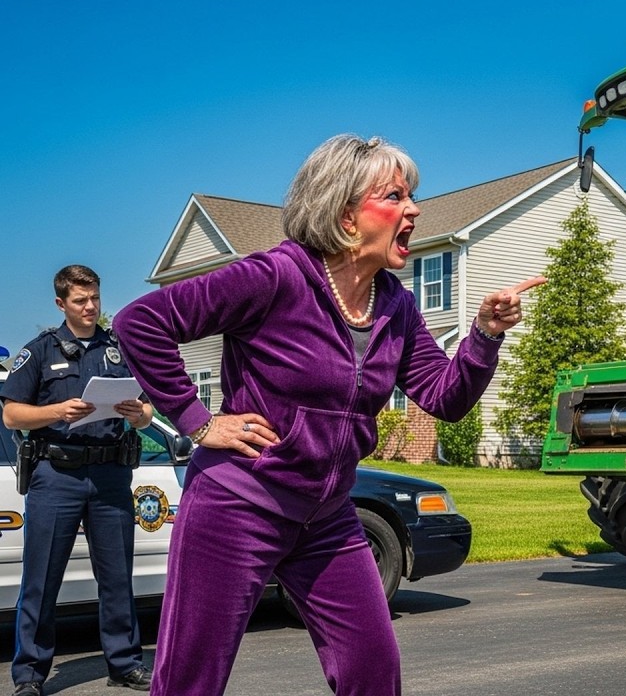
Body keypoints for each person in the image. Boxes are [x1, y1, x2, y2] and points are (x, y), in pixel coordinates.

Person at [113, 134, 545, 696]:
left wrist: (484, 335)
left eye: (412, 196)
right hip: (237, 505)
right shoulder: (273, 277)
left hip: (328, 518)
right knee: (190, 680)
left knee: (373, 669)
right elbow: (140, 324)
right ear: (345, 216)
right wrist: (198, 422)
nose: (413, 209)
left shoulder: (396, 303)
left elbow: (445, 397)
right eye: (395, 196)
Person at [1, 265, 154, 696]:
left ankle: (124, 664)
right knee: (41, 578)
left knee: (117, 577)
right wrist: (57, 412)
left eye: (95, 299)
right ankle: (29, 674)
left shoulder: (118, 349)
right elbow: (12, 413)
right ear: (60, 303)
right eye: (80, 301)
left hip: (109, 474)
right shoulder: (39, 350)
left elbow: (146, 411)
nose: (90, 308)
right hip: (57, 476)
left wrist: (137, 414)